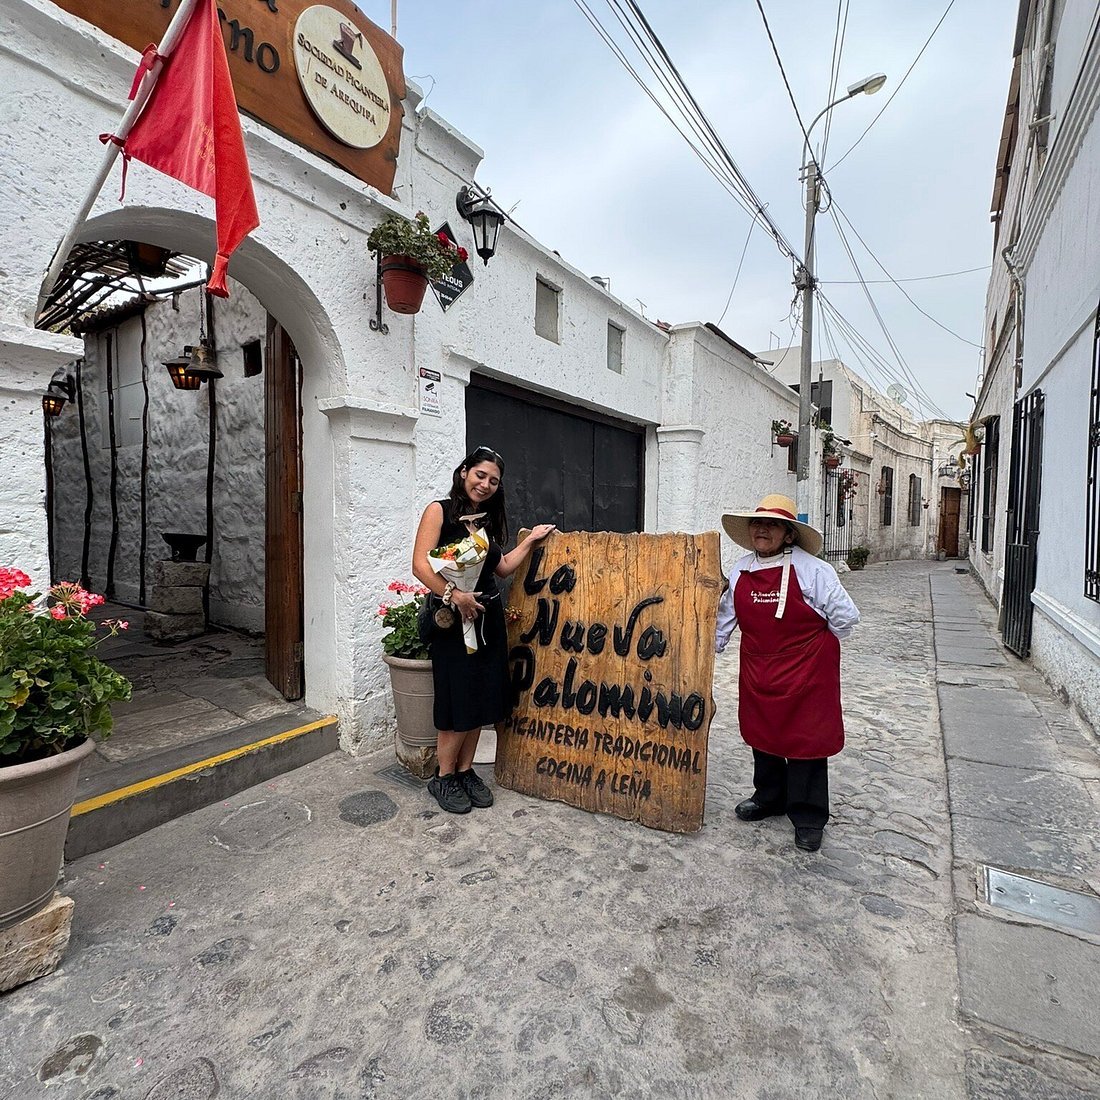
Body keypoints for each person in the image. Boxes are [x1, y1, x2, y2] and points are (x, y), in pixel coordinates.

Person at [412, 445, 556, 814]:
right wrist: (454, 593)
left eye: (494, 480)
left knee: (480, 697)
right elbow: (420, 566)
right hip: (452, 620)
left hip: (486, 619)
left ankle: (465, 771)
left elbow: (502, 568)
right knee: (457, 696)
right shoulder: (438, 511)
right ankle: (443, 777)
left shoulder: (485, 522)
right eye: (480, 475)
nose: (486, 484)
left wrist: (529, 540)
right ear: (464, 472)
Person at [714, 493, 860, 851]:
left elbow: (846, 618)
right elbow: (724, 620)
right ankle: (769, 798)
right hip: (758, 668)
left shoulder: (814, 571)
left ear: (789, 534)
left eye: (772, 524)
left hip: (807, 672)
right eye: (757, 523)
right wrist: (707, 649)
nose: (762, 529)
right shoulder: (741, 570)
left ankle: (808, 816)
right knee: (762, 734)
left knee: (806, 741)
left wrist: (810, 649)